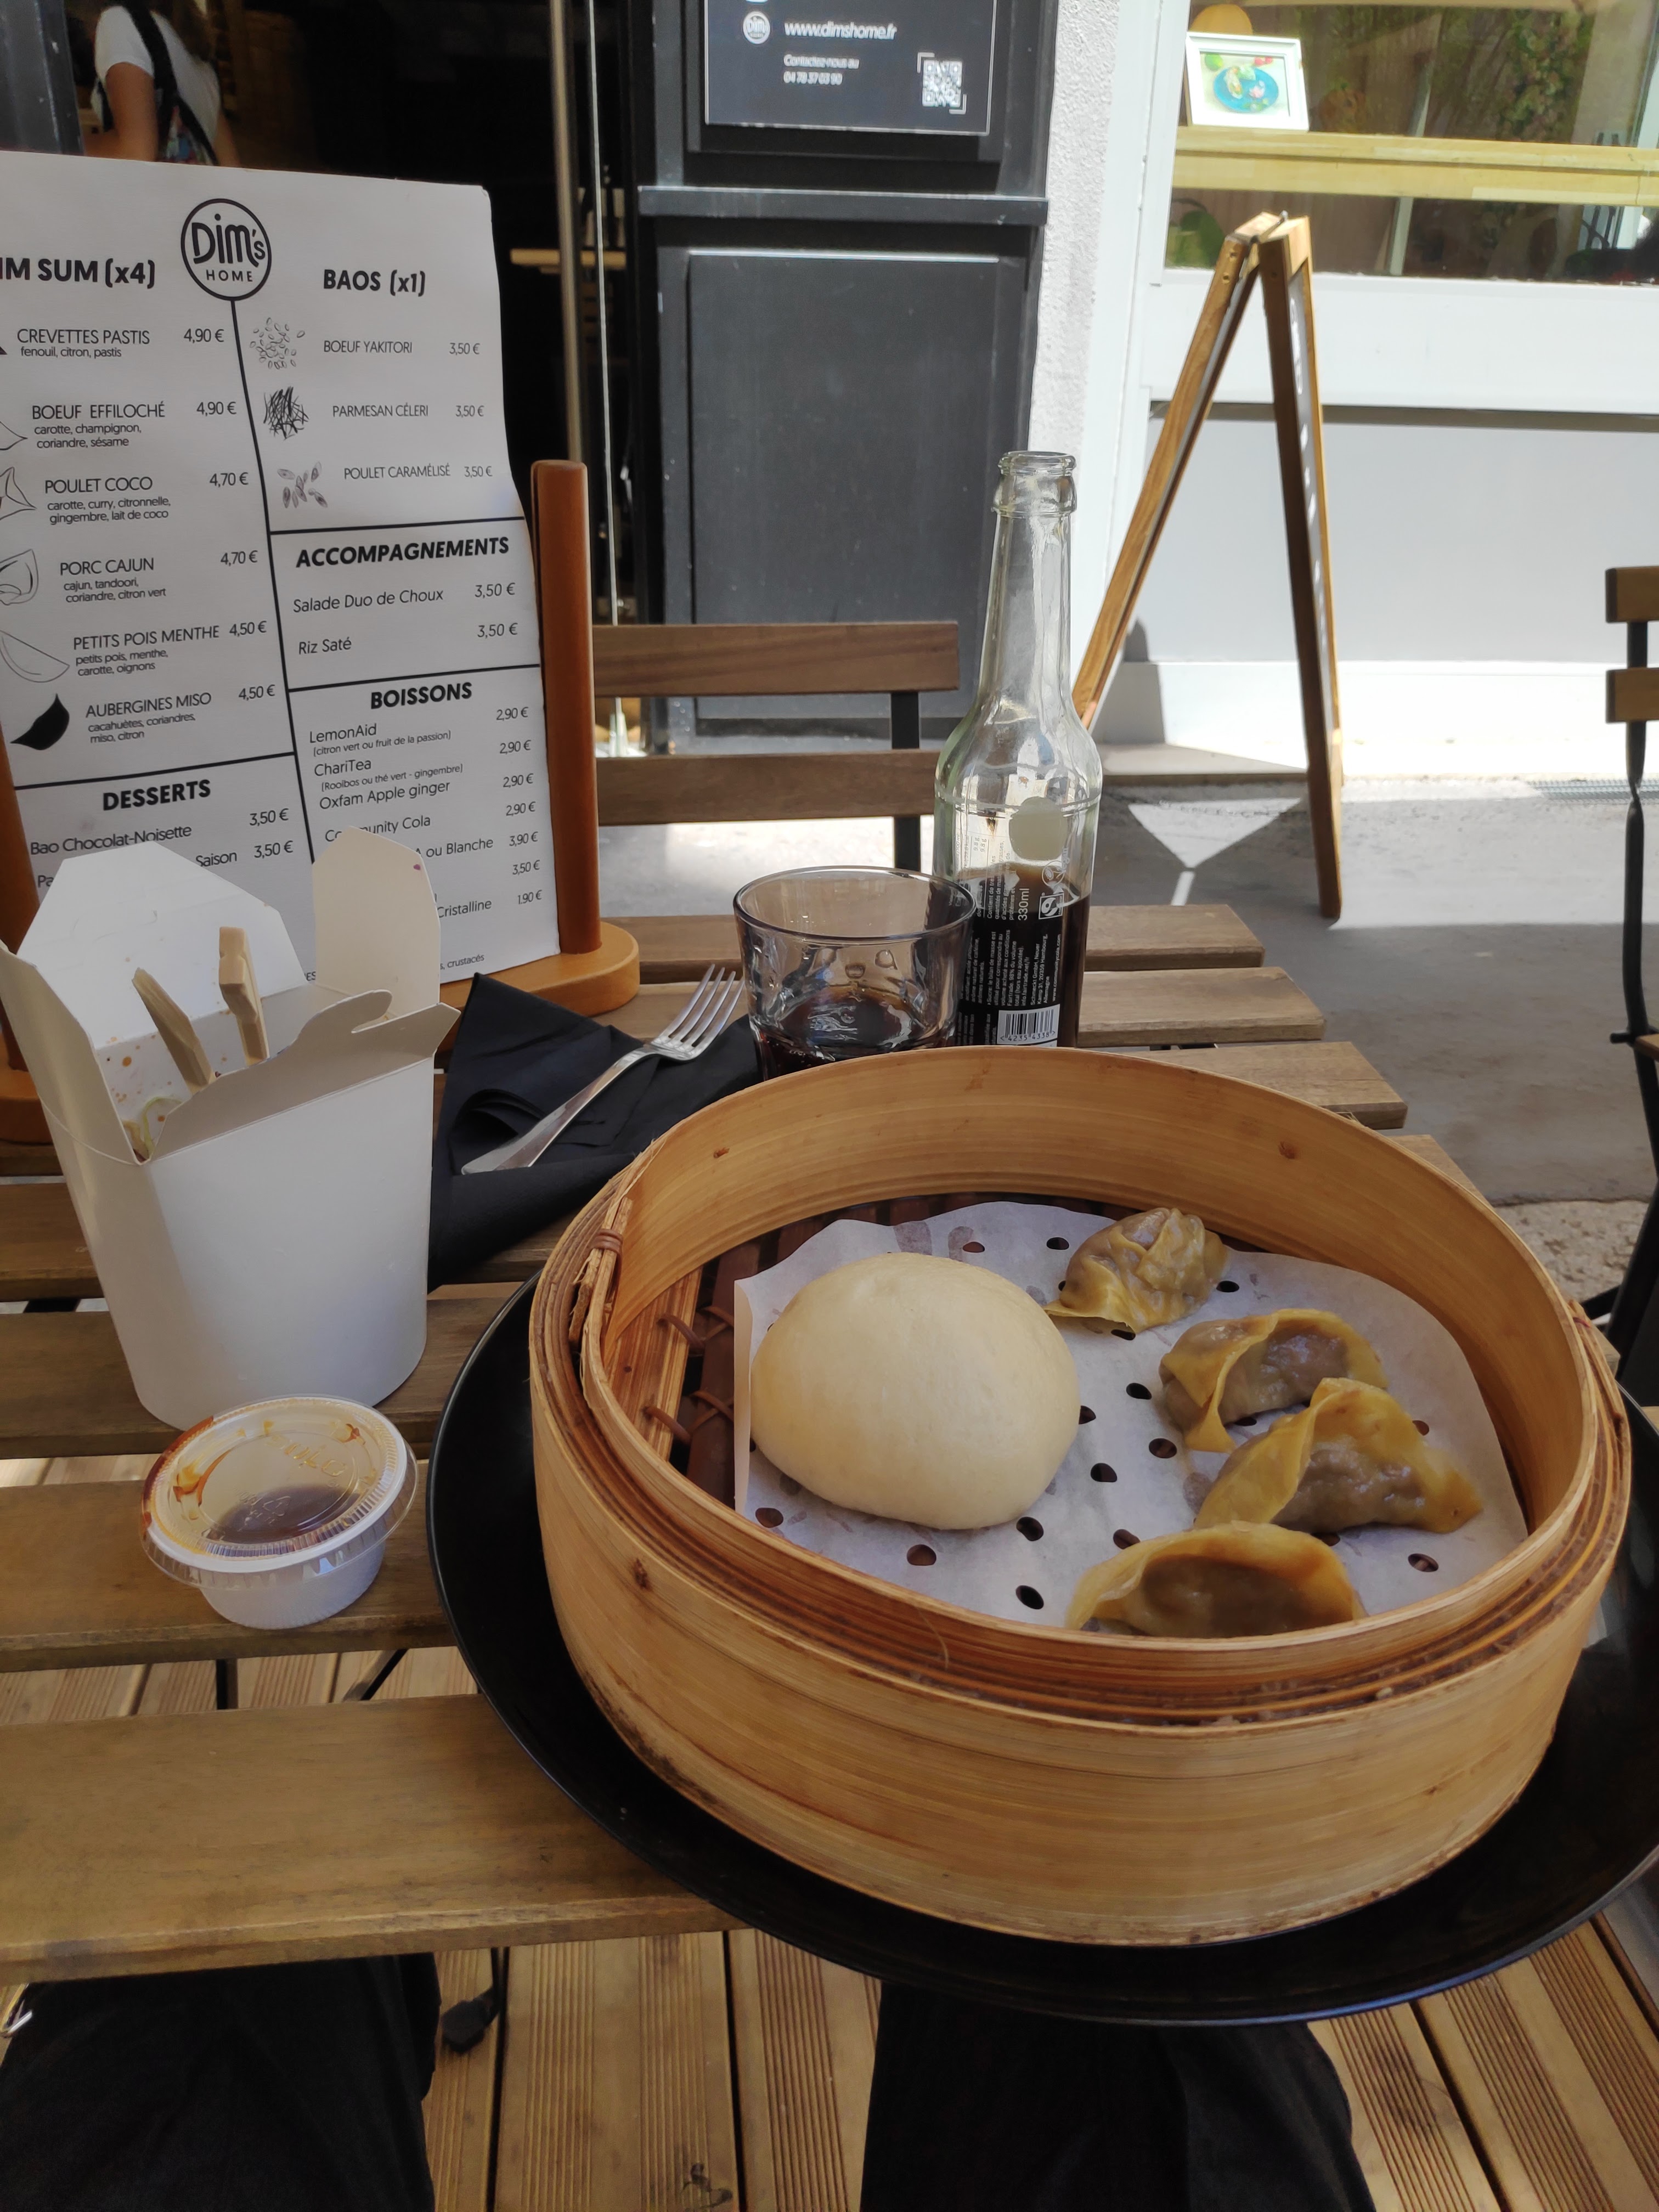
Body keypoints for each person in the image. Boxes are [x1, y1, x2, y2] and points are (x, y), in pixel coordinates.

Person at [87, 0, 240, 165]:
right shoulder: (194, 48)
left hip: (157, 182)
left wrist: (69, 143)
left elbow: (135, 151)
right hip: (201, 181)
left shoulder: (119, 22)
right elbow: (231, 165)